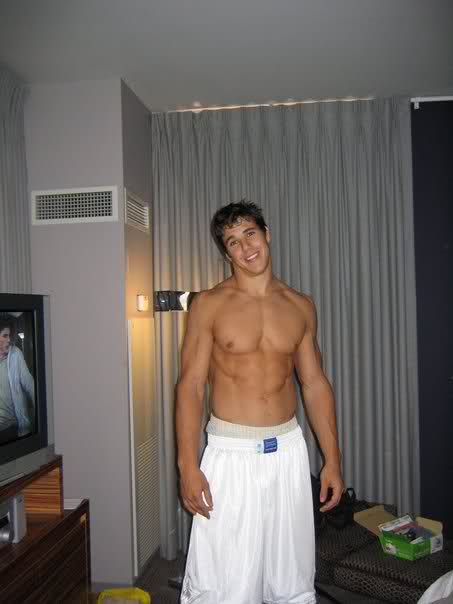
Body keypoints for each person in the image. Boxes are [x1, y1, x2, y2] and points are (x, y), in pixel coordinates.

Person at [176, 201, 344, 604]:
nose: (245, 247)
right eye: (233, 242)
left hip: (288, 451)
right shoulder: (209, 305)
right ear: (226, 253)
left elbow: (315, 384)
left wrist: (333, 460)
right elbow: (190, 387)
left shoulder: (300, 306)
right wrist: (187, 466)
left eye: (250, 234)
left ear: (266, 234)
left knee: (291, 578)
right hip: (230, 454)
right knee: (223, 585)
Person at [0, 315, 35, 444]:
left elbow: (29, 384)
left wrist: (41, 410)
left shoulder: (15, 354)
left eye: (9, 335)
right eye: (5, 336)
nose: (9, 339)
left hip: (12, 426)